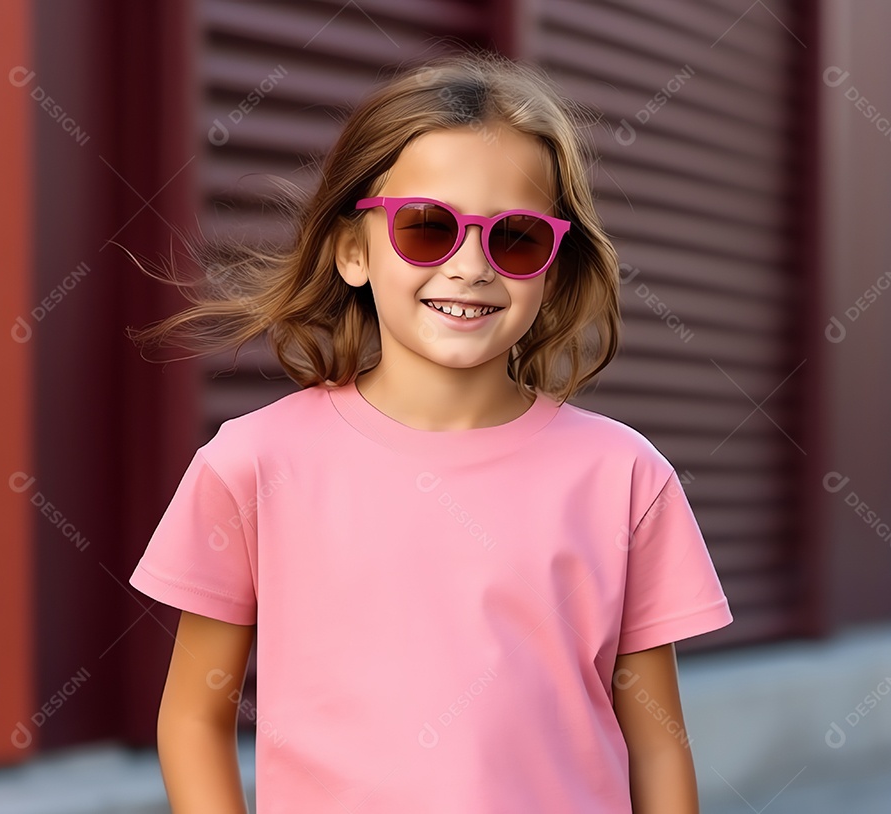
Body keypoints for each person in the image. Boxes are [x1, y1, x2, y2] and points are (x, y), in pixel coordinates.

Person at [127, 50, 732, 814]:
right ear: (353, 250)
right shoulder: (251, 465)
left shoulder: (624, 476)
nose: (471, 266)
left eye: (513, 238)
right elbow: (193, 718)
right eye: (426, 228)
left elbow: (655, 742)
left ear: (552, 266)